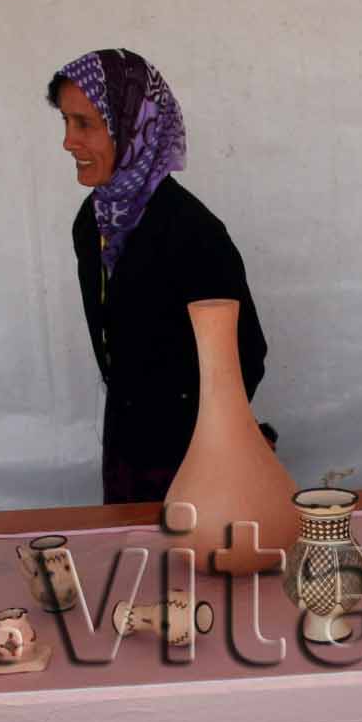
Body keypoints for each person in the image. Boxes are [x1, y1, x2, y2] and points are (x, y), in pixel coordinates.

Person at [48, 49, 268, 504]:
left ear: (133, 125)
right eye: (66, 122)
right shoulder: (93, 223)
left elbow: (248, 353)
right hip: (127, 450)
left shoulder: (190, 231)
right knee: (132, 566)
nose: (69, 141)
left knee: (191, 570)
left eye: (85, 123)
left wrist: (202, 440)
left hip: (193, 453)